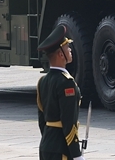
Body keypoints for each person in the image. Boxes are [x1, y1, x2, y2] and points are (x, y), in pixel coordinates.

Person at [36, 24, 85, 160]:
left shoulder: (42, 82)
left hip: (46, 145)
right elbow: (68, 121)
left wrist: (49, 140)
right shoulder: (66, 83)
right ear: (60, 54)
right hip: (62, 149)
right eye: (67, 47)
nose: (70, 50)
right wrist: (76, 154)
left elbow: (42, 120)